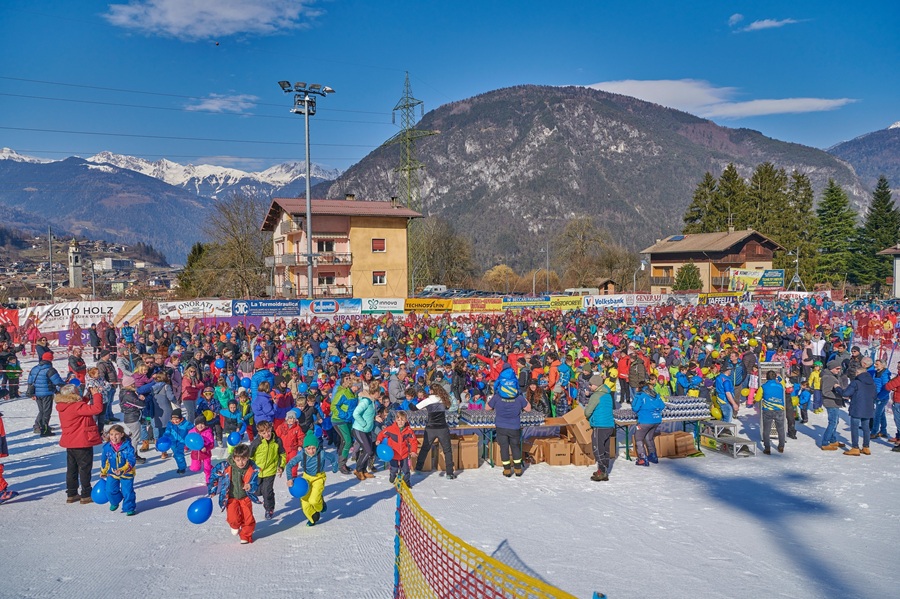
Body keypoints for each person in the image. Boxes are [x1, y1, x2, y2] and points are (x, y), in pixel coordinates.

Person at [55, 383, 104, 504]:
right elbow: (97, 409)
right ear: (73, 394)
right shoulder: (77, 406)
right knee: (84, 469)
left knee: (72, 469)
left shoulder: (64, 405)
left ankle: (71, 493)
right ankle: (86, 494)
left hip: (70, 442)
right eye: (78, 392)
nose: (79, 393)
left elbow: (80, 406)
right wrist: (96, 394)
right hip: (81, 442)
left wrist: (87, 395)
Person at [207, 443, 261, 544]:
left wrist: (250, 486)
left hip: (245, 497)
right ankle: (235, 525)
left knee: (248, 518)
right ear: (234, 458)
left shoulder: (252, 469)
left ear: (248, 457)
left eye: (244, 459)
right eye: (238, 460)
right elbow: (214, 475)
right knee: (233, 518)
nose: (241, 463)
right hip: (231, 497)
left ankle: (245, 535)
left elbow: (255, 482)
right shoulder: (225, 466)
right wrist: (212, 490)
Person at [285, 430, 338, 527]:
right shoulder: (302, 454)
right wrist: (289, 478)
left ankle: (321, 505)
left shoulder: (321, 453)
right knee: (305, 501)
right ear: (305, 448)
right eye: (308, 448)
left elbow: (333, 458)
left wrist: (335, 468)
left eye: (313, 448)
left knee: (313, 500)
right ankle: (313, 517)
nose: (311, 451)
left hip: (318, 478)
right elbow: (289, 465)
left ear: (317, 447)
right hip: (306, 478)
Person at [487, 380, 531, 477]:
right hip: (514, 426)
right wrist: (525, 399)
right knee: (515, 447)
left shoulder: (497, 397)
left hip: (501, 426)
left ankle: (507, 470)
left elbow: (487, 408)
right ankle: (518, 469)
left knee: (504, 448)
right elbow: (528, 409)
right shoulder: (518, 397)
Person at [414, 385, 457, 479]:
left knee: (425, 449)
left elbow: (414, 408)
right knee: (447, 450)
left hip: (431, 428)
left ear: (432, 391)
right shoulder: (443, 399)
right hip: (442, 428)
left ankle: (418, 468)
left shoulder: (428, 400)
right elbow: (448, 408)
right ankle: (449, 472)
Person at [837, 358, 876, 456]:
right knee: (866, 428)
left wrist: (837, 388)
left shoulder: (856, 382)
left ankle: (855, 447)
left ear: (858, 372)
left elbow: (846, 393)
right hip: (868, 407)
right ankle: (866, 447)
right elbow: (875, 395)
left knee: (854, 427)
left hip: (857, 407)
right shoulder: (872, 382)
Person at [248, 420, 285, 520]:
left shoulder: (277, 441)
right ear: (259, 433)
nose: (267, 434)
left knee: (266, 491)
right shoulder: (256, 443)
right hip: (258, 472)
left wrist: (281, 466)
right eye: (264, 433)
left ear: (271, 429)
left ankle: (269, 509)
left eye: (268, 431)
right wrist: (249, 469)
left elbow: (282, 454)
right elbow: (249, 457)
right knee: (257, 491)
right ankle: (267, 494)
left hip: (270, 470)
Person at [99, 424, 137, 516]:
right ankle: (115, 501)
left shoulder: (128, 447)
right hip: (112, 473)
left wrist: (122, 470)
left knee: (127, 491)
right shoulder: (107, 447)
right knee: (109, 490)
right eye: (111, 434)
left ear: (122, 435)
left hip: (126, 473)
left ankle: (129, 508)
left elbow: (131, 460)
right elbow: (105, 461)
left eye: (116, 434)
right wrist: (103, 471)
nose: (114, 437)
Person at [584, 374, 614, 481]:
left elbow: (587, 412)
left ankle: (602, 471)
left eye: (591, 385)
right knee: (605, 449)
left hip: (599, 425)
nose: (589, 386)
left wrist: (587, 412)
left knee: (597, 448)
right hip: (609, 425)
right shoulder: (608, 394)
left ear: (596, 385)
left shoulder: (596, 396)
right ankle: (604, 469)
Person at [27, 351, 65, 437]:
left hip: (37, 393)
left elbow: (29, 381)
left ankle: (38, 426)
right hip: (47, 393)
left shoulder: (35, 368)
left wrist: (32, 393)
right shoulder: (50, 369)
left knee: (41, 411)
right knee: (47, 412)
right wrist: (66, 385)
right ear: (51, 359)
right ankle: (44, 430)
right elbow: (57, 381)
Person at [376, 410, 418, 486]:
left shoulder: (408, 431)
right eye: (398, 420)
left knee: (406, 470)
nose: (400, 422)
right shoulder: (391, 429)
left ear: (406, 420)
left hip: (404, 454)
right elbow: (382, 434)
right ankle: (392, 475)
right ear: (395, 420)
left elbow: (413, 441)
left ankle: (406, 481)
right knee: (394, 469)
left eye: (402, 420)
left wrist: (414, 451)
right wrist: (379, 440)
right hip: (393, 454)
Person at [631, 381, 665, 466]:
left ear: (640, 388)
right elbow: (662, 406)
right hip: (656, 420)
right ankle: (653, 456)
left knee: (638, 438)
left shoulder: (640, 395)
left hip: (645, 420)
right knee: (649, 438)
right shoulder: (655, 394)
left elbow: (635, 408)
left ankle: (642, 458)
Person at [331, 376, 359, 475]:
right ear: (353, 385)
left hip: (348, 421)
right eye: (357, 385)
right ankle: (341, 464)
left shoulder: (354, 394)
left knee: (347, 441)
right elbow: (334, 406)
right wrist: (344, 415)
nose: (359, 387)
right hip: (339, 420)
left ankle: (342, 461)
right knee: (347, 441)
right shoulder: (342, 393)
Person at [351, 380, 377, 480]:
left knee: (368, 450)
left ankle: (364, 470)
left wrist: (375, 418)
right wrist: (363, 423)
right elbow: (356, 413)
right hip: (359, 429)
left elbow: (368, 414)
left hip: (367, 430)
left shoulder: (372, 401)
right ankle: (358, 469)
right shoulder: (366, 401)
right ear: (375, 392)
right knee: (368, 451)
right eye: (379, 392)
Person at [819, 360, 846, 450]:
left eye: (840, 369)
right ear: (831, 368)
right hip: (831, 403)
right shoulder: (828, 377)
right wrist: (839, 396)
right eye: (837, 368)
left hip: (834, 402)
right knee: (833, 422)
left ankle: (833, 440)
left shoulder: (832, 376)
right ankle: (825, 442)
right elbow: (826, 392)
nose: (839, 370)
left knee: (835, 422)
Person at [760, 371, 787, 455]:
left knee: (766, 430)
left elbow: (757, 398)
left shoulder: (763, 387)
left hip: (767, 410)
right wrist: (779, 377)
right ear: (775, 377)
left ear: (766, 377)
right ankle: (781, 446)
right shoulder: (781, 386)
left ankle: (767, 448)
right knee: (781, 429)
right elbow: (783, 382)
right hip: (779, 410)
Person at [164, 408, 191, 473]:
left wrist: (190, 436)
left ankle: (182, 468)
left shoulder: (186, 424)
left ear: (181, 418)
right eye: (173, 419)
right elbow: (167, 431)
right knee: (176, 455)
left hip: (182, 442)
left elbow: (192, 430)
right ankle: (181, 466)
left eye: (177, 419)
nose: (175, 421)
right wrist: (165, 437)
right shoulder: (170, 424)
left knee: (179, 454)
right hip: (172, 442)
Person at [189, 416, 215, 482]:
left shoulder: (208, 433)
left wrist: (206, 448)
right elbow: (189, 440)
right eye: (198, 424)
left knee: (207, 468)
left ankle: (208, 480)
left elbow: (212, 444)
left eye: (202, 424)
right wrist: (186, 447)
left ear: (205, 424)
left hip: (206, 453)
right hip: (196, 453)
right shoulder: (192, 432)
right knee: (195, 468)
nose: (200, 426)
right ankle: (211, 468)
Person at [871, 359, 891, 439]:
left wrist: (880, 396)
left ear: (882, 365)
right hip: (876, 396)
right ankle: (883, 431)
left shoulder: (884, 375)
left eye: (877, 364)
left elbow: (886, 388)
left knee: (877, 414)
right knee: (881, 414)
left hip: (882, 397)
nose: (875, 365)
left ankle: (874, 431)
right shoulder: (876, 372)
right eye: (875, 364)